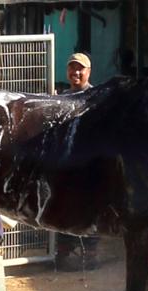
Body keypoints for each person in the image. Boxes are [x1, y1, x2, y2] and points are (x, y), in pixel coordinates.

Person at [55, 53, 100, 271]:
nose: (76, 73)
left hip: (89, 164)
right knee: (63, 206)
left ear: (89, 72)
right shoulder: (62, 98)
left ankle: (90, 253)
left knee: (90, 207)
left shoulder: (96, 97)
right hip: (66, 163)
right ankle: (63, 251)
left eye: (80, 69)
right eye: (72, 68)